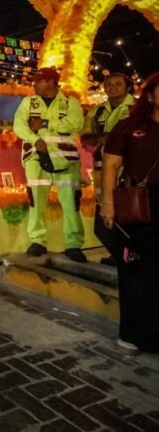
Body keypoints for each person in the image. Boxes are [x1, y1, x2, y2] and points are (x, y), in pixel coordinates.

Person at [100, 71, 159, 355]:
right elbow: (110, 167)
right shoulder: (128, 126)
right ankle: (131, 335)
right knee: (135, 270)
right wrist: (108, 204)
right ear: (150, 96)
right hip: (138, 204)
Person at [13, 67, 86, 261]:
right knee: (36, 201)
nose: (35, 84)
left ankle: (73, 245)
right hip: (36, 158)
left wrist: (44, 126)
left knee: (71, 203)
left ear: (53, 82)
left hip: (66, 161)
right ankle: (37, 241)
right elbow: (19, 125)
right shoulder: (28, 102)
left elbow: (76, 123)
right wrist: (34, 139)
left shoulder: (71, 102)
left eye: (40, 81)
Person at [81, 73, 134, 265]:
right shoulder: (96, 111)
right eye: (109, 84)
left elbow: (134, 137)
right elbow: (85, 139)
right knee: (106, 210)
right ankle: (115, 253)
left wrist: (102, 138)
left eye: (118, 84)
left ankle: (130, 253)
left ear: (128, 87)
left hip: (130, 170)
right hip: (101, 169)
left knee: (128, 211)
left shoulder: (136, 108)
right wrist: (109, 138)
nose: (112, 87)